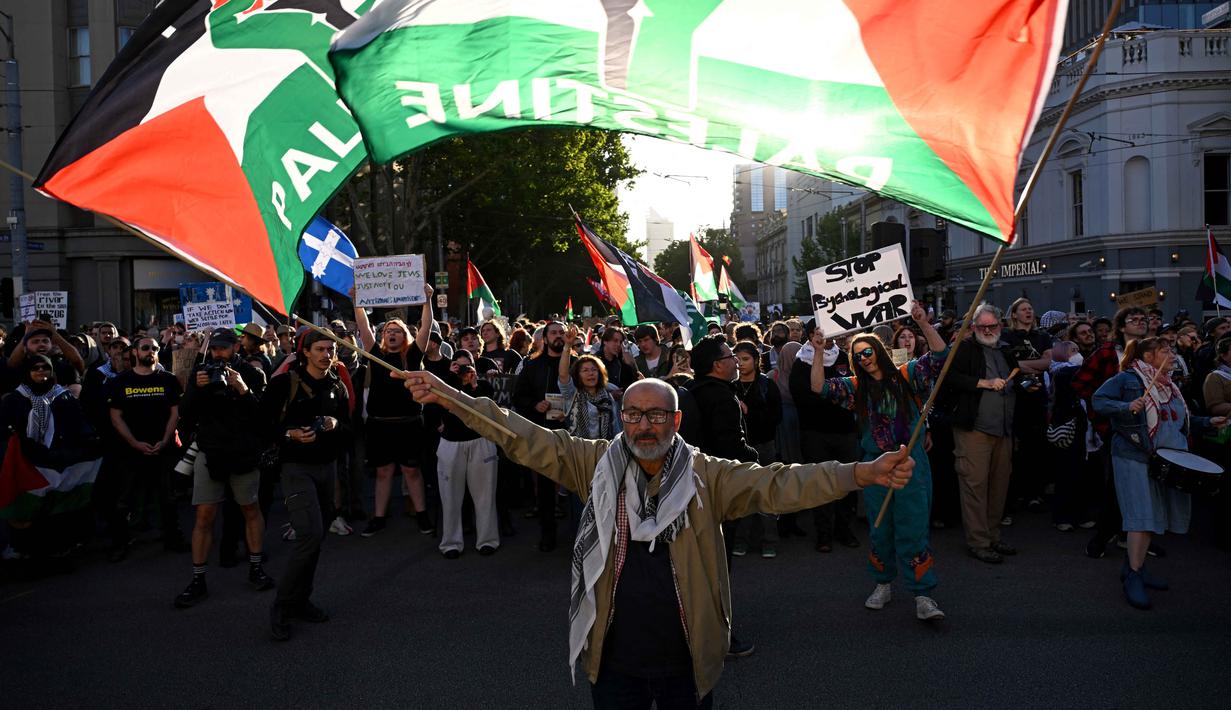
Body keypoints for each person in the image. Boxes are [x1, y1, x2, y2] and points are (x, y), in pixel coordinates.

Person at [397, 369, 915, 707]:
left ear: (677, 420)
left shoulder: (708, 476)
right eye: (634, 415)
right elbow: (523, 437)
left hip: (687, 657)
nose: (645, 426)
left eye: (657, 415)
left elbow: (781, 484)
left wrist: (862, 473)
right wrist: (450, 397)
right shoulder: (593, 463)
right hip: (612, 656)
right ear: (623, 417)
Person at [812, 301, 950, 620]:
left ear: (879, 351)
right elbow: (818, 387)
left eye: (868, 351)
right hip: (875, 466)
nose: (864, 357)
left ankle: (922, 595)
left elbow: (941, 356)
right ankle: (883, 584)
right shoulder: (855, 387)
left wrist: (923, 323)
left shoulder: (907, 374)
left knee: (913, 528)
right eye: (858, 355)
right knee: (880, 529)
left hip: (910, 464)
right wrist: (818, 351)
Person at [1093, 337, 1226, 609]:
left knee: (1152, 516)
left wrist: (1208, 422)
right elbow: (1098, 400)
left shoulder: (1170, 385)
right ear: (1149, 356)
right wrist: (1125, 406)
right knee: (1141, 517)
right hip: (1134, 455)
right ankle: (1133, 575)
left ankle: (1136, 568)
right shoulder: (1129, 378)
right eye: (1165, 351)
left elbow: (1179, 422)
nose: (1172, 354)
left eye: (1172, 350)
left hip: (1163, 458)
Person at [173, 328, 273, 608]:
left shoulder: (251, 373)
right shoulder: (201, 372)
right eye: (214, 348)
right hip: (211, 453)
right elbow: (185, 413)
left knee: (250, 509)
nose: (218, 353)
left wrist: (242, 389)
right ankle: (198, 579)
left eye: (224, 347)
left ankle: (256, 567)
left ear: (236, 347)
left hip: (243, 454)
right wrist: (196, 388)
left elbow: (264, 418)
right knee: (204, 515)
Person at [261, 329, 350, 641]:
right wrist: (291, 434)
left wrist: (335, 424)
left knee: (316, 537)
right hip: (296, 468)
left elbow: (350, 427)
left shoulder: (337, 385)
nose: (326, 354)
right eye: (320, 349)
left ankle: (301, 600)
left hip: (327, 468)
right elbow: (261, 425)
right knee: (309, 534)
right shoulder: (284, 383)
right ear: (306, 352)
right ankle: (282, 606)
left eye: (330, 349)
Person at [0, 355, 100, 569]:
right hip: (28, 463)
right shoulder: (14, 399)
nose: (40, 371)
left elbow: (78, 426)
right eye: (35, 368)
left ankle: (55, 553)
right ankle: (26, 554)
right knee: (29, 509)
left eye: (45, 367)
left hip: (56, 461)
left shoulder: (64, 397)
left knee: (55, 510)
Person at [353, 285, 436, 537]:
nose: (391, 333)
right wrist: (357, 301)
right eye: (388, 330)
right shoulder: (375, 354)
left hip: (408, 423)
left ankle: (422, 515)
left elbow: (426, 327)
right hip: (380, 424)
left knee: (412, 471)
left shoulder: (412, 355)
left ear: (405, 337)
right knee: (383, 472)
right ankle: (378, 517)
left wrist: (427, 300)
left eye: (397, 331)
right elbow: (364, 326)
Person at [941, 304, 1022, 564]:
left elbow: (1014, 377)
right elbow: (948, 377)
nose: (987, 331)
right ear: (973, 327)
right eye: (982, 326)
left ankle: (993, 536)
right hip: (974, 429)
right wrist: (982, 383)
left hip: (1003, 429)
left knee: (999, 486)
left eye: (992, 326)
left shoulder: (1005, 349)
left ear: (1001, 325)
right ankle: (979, 541)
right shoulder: (964, 348)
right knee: (974, 485)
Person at [1072, 307, 1150, 559]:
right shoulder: (1107, 353)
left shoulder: (1150, 353)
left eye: (1143, 319)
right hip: (1116, 430)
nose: (1140, 323)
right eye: (1133, 319)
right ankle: (1103, 536)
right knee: (1117, 485)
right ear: (1122, 326)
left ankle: (1135, 536)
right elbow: (1081, 384)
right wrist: (1103, 415)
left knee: (1144, 485)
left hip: (1146, 429)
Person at [105, 336, 187, 560]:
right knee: (124, 499)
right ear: (135, 352)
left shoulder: (168, 379)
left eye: (155, 348)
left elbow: (175, 413)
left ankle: (173, 537)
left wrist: (165, 439)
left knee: (167, 497)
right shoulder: (120, 381)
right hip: (130, 451)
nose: (151, 351)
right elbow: (115, 417)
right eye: (145, 347)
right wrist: (134, 443)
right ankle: (120, 542)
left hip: (163, 449)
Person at [790, 324, 861, 551]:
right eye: (820, 332)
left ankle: (844, 529)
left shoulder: (844, 358)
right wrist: (836, 399)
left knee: (847, 481)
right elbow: (802, 398)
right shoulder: (802, 362)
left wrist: (833, 397)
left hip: (845, 432)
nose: (827, 336)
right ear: (811, 336)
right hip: (815, 433)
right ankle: (823, 533)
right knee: (820, 482)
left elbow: (855, 391)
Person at [431, 351, 499, 558]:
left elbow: (487, 410)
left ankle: (487, 539)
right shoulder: (446, 385)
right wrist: (451, 378)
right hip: (451, 444)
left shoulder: (484, 387)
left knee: (485, 495)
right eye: (459, 366)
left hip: (480, 442)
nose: (463, 370)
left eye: (467, 366)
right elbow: (436, 407)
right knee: (450, 496)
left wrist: (474, 385)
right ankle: (451, 542)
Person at [513, 320, 568, 551]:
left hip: (571, 433)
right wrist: (535, 404)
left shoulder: (576, 363)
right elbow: (518, 396)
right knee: (545, 486)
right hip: (543, 432)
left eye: (562, 332)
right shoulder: (533, 365)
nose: (558, 336)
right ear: (544, 339)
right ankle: (548, 534)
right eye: (553, 333)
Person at [1001, 297, 1053, 516]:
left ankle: (1034, 493)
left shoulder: (1043, 336)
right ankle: (1014, 494)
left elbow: (1047, 362)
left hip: (1038, 396)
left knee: (1036, 445)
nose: (1028, 312)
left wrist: (1020, 365)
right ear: (1014, 314)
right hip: (1014, 396)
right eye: (1023, 309)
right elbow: (1006, 363)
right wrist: (1031, 366)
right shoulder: (1007, 336)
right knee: (1014, 447)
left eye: (1030, 308)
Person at [731, 340, 782, 559]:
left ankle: (769, 541)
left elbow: (776, 417)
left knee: (766, 493)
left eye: (745, 359)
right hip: (740, 447)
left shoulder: (767, 385)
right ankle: (741, 540)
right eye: (737, 359)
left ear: (756, 360)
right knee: (742, 495)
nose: (740, 364)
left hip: (764, 446)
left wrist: (749, 411)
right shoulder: (731, 386)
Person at [7, 321, 85, 397]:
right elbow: (11, 365)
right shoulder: (21, 370)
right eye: (35, 342)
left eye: (45, 341)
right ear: (25, 348)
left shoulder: (65, 369)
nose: (41, 344)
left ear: (51, 345)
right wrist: (25, 336)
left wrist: (55, 334)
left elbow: (78, 362)